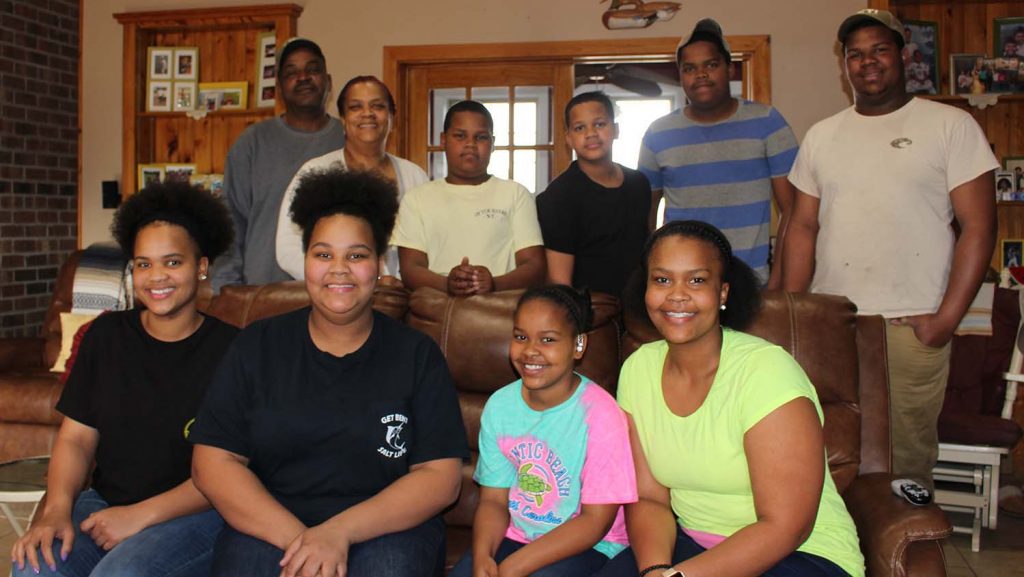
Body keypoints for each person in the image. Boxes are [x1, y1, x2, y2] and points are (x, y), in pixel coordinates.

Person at [190, 168, 469, 577]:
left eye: (356, 255)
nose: (339, 269)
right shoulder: (256, 345)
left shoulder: (417, 355)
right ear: (305, 263)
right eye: (323, 254)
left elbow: (440, 478)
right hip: (274, 522)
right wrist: (301, 541)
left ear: (378, 265)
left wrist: (338, 532)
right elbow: (212, 463)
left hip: (388, 527)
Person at [783, 9, 997, 488]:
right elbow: (801, 226)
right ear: (845, 67)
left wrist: (945, 320)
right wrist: (793, 313)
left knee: (904, 467)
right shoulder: (822, 135)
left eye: (879, 50)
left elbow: (980, 227)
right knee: (821, 457)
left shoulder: (950, 125)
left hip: (908, 325)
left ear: (903, 55)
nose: (867, 63)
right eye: (854, 55)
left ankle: (902, 558)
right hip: (830, 326)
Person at [10, 181, 238, 577]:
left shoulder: (233, 351)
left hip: (198, 514)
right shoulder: (107, 335)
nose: (156, 277)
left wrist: (139, 516)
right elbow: (76, 438)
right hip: (104, 503)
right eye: (143, 264)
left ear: (201, 266)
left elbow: (232, 470)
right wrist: (56, 511)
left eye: (172, 262)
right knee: (34, 568)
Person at [616, 220, 864, 577]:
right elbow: (650, 498)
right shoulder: (638, 370)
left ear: (723, 293)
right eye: (662, 279)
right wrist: (655, 569)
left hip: (800, 553)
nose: (677, 294)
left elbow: (786, 525)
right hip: (691, 544)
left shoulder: (766, 372)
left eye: (697, 280)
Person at [450, 285, 637, 577]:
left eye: (547, 339)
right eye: (520, 337)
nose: (530, 351)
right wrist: (484, 556)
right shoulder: (500, 406)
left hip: (590, 544)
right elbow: (493, 500)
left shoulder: (600, 415)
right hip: (517, 536)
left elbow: (594, 522)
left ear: (578, 346)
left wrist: (514, 566)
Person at [638, 18, 799, 288]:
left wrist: (778, 283)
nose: (700, 75)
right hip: (683, 287)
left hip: (752, 285)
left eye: (711, 65)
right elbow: (645, 219)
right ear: (681, 77)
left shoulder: (768, 122)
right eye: (689, 68)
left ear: (730, 68)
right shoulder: (658, 134)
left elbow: (793, 213)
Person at [209, 37, 344, 292]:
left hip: (336, 290)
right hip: (263, 291)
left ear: (328, 82)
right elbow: (230, 219)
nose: (303, 77)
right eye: (292, 73)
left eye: (312, 70)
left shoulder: (349, 139)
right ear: (280, 87)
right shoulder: (252, 142)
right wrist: (226, 287)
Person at [276, 75, 428, 279]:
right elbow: (288, 249)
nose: (368, 114)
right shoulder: (316, 172)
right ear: (344, 119)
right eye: (356, 107)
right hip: (336, 293)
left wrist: (400, 284)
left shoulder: (414, 175)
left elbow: (429, 245)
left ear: (392, 117)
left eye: (378, 106)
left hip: (403, 297)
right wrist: (343, 280)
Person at [393, 100, 546, 295]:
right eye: (460, 136)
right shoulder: (416, 199)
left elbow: (534, 266)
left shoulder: (516, 194)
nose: (470, 145)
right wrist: (448, 284)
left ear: (492, 144)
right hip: (436, 313)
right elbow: (410, 269)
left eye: (481, 137)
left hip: (501, 311)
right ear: (443, 140)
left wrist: (494, 283)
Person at [537, 92, 651, 298]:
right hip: (591, 312)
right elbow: (559, 282)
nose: (590, 133)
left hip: (641, 305)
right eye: (580, 128)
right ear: (569, 138)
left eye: (599, 124)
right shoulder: (558, 197)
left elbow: (647, 252)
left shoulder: (639, 183)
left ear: (615, 130)